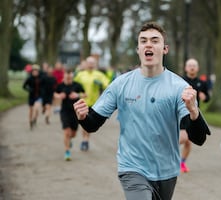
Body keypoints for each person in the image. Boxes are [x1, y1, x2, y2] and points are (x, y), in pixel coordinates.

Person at [73, 22, 211, 200]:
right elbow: (92, 124)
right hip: (132, 166)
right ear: (138, 49)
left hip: (166, 170)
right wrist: (83, 117)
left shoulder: (179, 87)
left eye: (155, 41)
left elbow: (198, 138)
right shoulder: (121, 84)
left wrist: (194, 111)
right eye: (143, 41)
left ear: (165, 49)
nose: (148, 44)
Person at [179, 58, 210, 173]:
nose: (192, 67)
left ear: (197, 68)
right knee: (183, 137)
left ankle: (182, 163)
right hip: (182, 113)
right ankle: (167, 155)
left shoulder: (202, 83)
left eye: (194, 65)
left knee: (188, 141)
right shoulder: (180, 81)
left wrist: (205, 97)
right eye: (190, 65)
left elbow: (207, 98)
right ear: (186, 68)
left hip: (193, 114)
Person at [73, 56, 110, 151]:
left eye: (92, 63)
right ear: (86, 64)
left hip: (94, 104)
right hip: (82, 102)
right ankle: (85, 139)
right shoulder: (81, 75)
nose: (90, 65)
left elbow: (108, 85)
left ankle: (85, 140)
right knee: (83, 121)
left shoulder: (99, 75)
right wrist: (78, 94)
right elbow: (74, 87)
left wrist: (101, 84)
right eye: (89, 63)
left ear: (95, 64)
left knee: (88, 123)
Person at [54, 70, 86, 161]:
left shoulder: (77, 85)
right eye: (66, 77)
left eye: (70, 78)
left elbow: (85, 94)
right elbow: (55, 94)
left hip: (75, 112)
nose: (68, 79)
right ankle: (67, 151)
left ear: (72, 77)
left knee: (73, 134)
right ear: (64, 77)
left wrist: (77, 94)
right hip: (64, 112)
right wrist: (59, 96)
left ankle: (69, 140)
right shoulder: (60, 86)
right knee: (67, 132)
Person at [23, 64, 43, 130]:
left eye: (36, 71)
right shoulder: (29, 78)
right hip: (31, 96)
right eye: (34, 71)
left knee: (36, 108)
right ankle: (30, 121)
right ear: (32, 71)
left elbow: (44, 86)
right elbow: (24, 86)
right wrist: (29, 89)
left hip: (39, 96)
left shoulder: (41, 78)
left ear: (38, 71)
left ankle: (35, 118)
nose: (35, 72)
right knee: (31, 110)